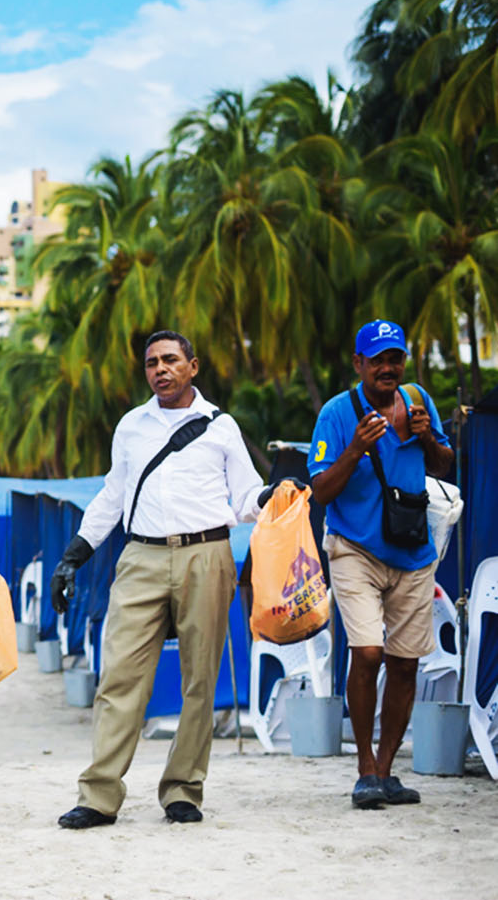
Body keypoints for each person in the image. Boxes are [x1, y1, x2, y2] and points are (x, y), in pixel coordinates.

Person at [52, 331, 266, 829]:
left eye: (170, 360)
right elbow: (112, 494)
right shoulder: (131, 426)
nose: (159, 369)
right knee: (119, 676)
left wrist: (272, 493)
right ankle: (100, 796)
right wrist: (73, 557)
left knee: (199, 680)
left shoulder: (221, 426)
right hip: (141, 557)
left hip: (207, 555)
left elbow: (245, 496)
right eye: (151, 363)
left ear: (193, 366)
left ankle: (182, 791)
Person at [308, 320, 453, 809]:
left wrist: (428, 436)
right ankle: (364, 766)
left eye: (395, 358)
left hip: (413, 551)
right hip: (354, 546)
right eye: (377, 360)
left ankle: (387, 772)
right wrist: (356, 449)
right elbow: (320, 492)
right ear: (359, 365)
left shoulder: (417, 400)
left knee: (406, 662)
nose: (387, 368)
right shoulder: (336, 413)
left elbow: (444, 467)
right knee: (367, 652)